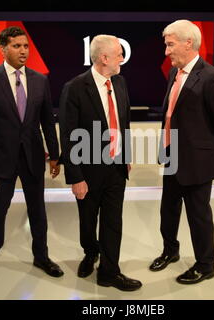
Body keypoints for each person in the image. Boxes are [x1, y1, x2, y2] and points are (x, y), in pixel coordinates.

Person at [0, 26, 63, 277]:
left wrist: (55, 155)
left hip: (33, 157)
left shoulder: (39, 80)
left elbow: (47, 121)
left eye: (25, 46)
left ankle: (41, 256)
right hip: (1, 160)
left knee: (38, 209)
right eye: (16, 46)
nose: (23, 51)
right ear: (3, 48)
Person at [149, 20, 214, 285]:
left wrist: (209, 153)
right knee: (168, 210)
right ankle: (170, 251)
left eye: (170, 44)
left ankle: (206, 264)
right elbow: (170, 113)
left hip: (198, 161)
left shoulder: (212, 76)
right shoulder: (175, 73)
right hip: (172, 155)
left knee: (198, 215)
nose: (166, 51)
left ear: (189, 43)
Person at [58, 35, 141, 291]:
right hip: (88, 170)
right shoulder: (74, 87)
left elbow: (123, 122)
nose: (122, 58)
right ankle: (90, 253)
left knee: (113, 221)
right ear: (104, 58)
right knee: (87, 220)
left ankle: (109, 272)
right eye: (118, 54)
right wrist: (75, 177)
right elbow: (69, 136)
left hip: (116, 168)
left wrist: (125, 156)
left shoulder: (121, 82)